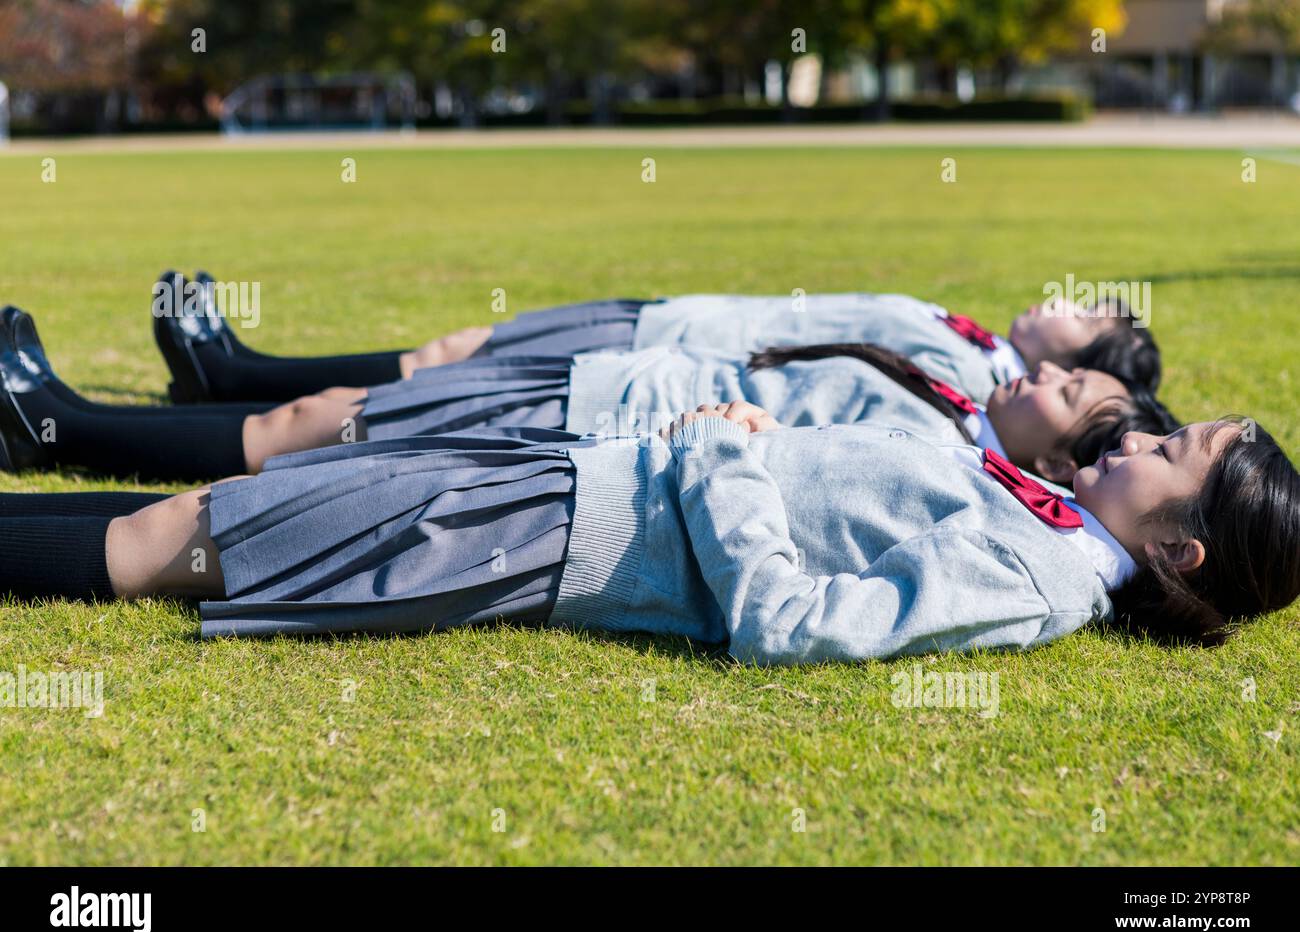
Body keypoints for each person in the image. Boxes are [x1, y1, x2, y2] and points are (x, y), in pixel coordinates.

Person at [0, 406, 1295, 664]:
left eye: (1168, 455)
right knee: (213, 514)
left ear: (1182, 550)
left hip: (559, 528)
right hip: (585, 475)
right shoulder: (1055, 518)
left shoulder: (1037, 574)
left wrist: (726, 454)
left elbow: (789, 625)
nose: (1135, 438)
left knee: (187, 538)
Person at [2, 306, 1174, 485]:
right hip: (621, 367)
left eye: (1074, 376)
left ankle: (53, 425)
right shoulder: (960, 388)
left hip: (596, 417)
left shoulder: (950, 419)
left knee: (295, 444)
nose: (1049, 365)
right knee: (303, 429)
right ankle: (64, 422)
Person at [152, 271, 1160, 405]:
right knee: (461, 345)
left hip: (675, 346)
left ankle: (231, 377)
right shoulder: (975, 347)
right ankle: (236, 370)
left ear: (1079, 363)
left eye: (1086, 314)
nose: (1059, 302)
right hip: (680, 318)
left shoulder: (968, 374)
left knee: (449, 362)